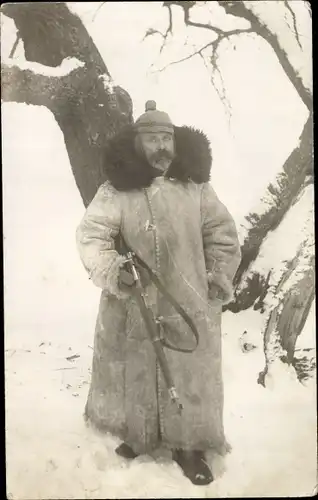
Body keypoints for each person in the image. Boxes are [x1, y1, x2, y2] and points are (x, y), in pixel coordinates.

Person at [76, 100, 241, 485]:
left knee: (189, 372)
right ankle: (138, 437)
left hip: (190, 300)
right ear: (137, 143)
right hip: (133, 300)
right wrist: (114, 270)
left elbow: (222, 235)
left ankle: (190, 447)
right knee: (133, 367)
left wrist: (218, 274)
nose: (162, 146)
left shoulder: (196, 188)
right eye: (152, 139)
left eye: (166, 138)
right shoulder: (115, 191)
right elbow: (92, 237)